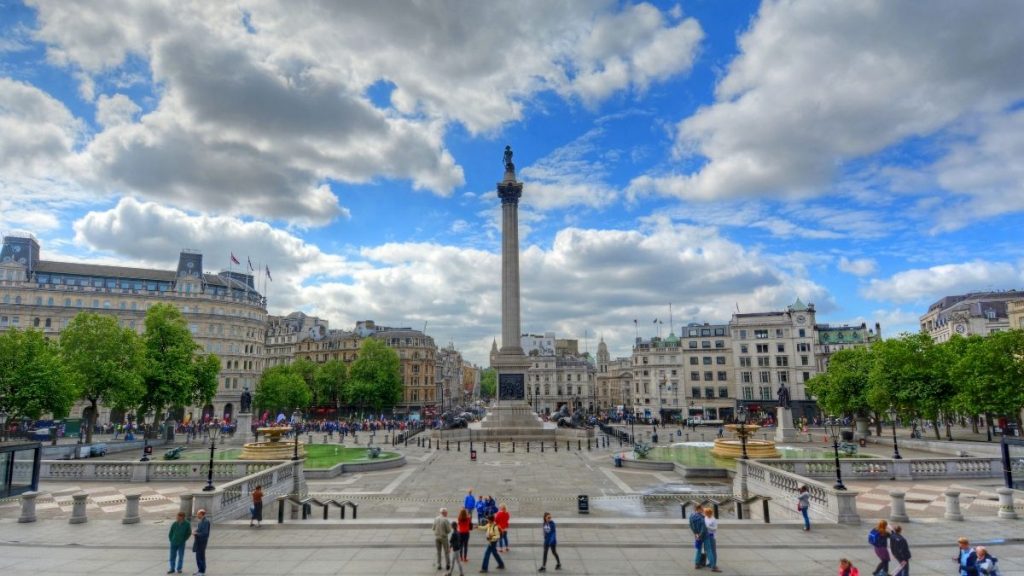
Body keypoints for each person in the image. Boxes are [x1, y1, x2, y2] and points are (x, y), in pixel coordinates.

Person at [688, 504, 708, 569]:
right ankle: (701, 562)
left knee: (698, 549)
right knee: (705, 548)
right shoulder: (702, 517)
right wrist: (700, 534)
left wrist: (695, 533)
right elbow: (703, 528)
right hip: (703, 535)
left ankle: (697, 563)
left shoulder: (691, 516)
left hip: (696, 535)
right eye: (702, 509)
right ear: (698, 509)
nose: (703, 510)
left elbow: (691, 525)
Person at [192, 508, 211, 576]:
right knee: (199, 556)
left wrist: (196, 533)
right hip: (199, 541)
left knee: (200, 556)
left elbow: (205, 533)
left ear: (202, 514)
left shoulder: (205, 522)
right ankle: (200, 570)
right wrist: (195, 531)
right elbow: (199, 529)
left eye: (198, 514)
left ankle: (201, 571)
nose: (197, 515)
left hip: (202, 541)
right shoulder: (201, 521)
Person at [703, 507, 721, 572]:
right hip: (706, 535)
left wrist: (708, 527)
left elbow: (715, 528)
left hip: (712, 535)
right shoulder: (705, 517)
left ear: (709, 513)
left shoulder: (713, 519)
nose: (704, 514)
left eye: (705, 513)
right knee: (707, 550)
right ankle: (710, 562)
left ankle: (714, 563)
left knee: (713, 550)